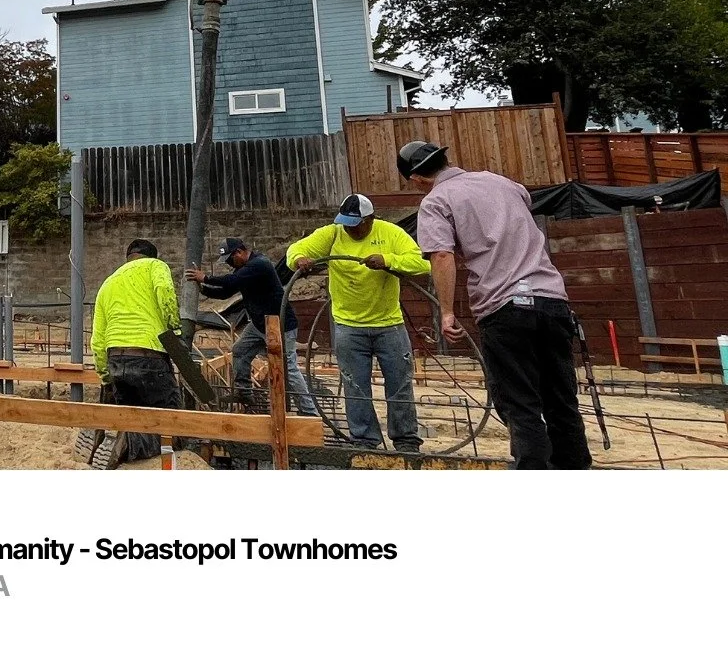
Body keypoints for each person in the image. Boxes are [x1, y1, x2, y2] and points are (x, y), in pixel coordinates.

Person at [401, 139, 592, 470]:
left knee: (521, 403)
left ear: (416, 178)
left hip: (504, 308)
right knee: (562, 401)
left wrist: (447, 312)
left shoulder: (435, 201)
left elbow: (442, 255)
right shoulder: (499, 181)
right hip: (552, 301)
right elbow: (524, 200)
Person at [287, 194, 430, 452]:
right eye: (346, 223)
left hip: (389, 324)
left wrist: (388, 261)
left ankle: (406, 440)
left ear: (370, 219)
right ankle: (364, 440)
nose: (350, 228)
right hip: (348, 326)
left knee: (399, 384)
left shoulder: (391, 234)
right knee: (355, 386)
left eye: (356, 223)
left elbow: (422, 262)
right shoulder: (332, 234)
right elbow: (295, 250)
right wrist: (299, 260)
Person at [186, 237, 318, 416]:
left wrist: (206, 277)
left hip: (281, 325)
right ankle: (244, 392)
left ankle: (309, 412)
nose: (230, 265)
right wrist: (203, 289)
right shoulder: (244, 271)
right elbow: (226, 292)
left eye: (230, 260)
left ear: (239, 252)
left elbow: (230, 281)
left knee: (288, 368)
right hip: (259, 324)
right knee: (240, 351)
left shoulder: (259, 264)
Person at [91, 238, 183, 464]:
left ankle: (114, 439)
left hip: (115, 358)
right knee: (170, 421)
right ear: (153, 256)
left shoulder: (108, 282)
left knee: (131, 414)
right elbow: (164, 292)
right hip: (149, 356)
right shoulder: (155, 266)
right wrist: (174, 328)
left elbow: (97, 339)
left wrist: (105, 377)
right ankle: (127, 442)